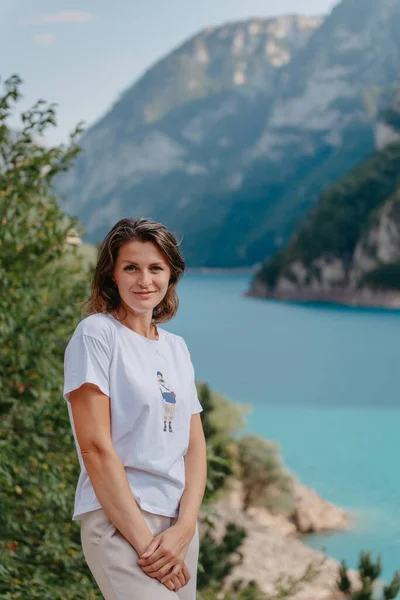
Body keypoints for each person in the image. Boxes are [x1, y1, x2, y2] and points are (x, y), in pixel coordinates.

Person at [63, 217, 207, 599]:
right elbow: (95, 448)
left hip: (177, 528)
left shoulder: (176, 348)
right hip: (120, 521)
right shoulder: (96, 334)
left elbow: (193, 448)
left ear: (171, 275)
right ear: (112, 274)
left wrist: (185, 528)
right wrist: (146, 544)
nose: (145, 280)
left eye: (155, 268)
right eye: (131, 267)